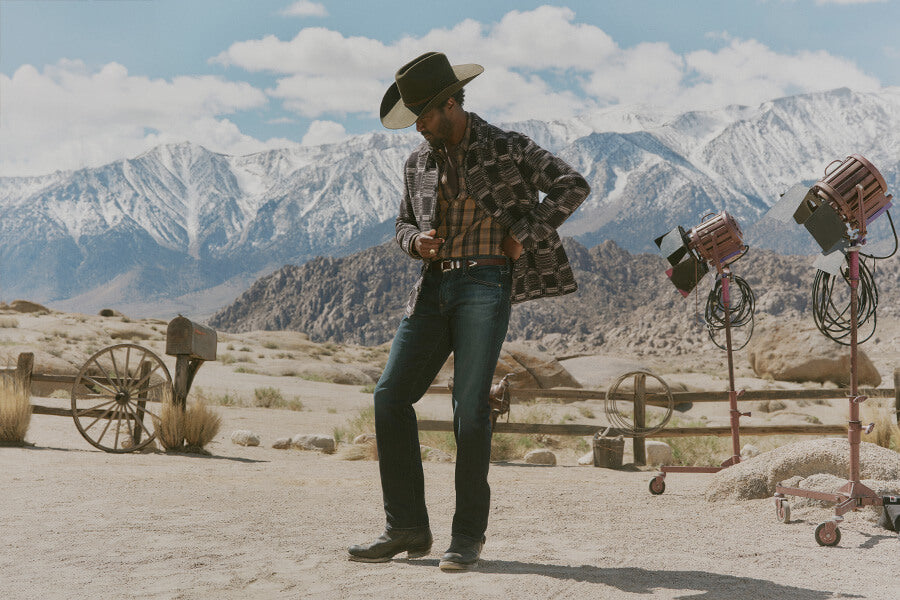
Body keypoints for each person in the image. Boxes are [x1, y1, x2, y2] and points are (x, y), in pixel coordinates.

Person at [348, 51, 590, 571]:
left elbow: (573, 185)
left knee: (469, 410)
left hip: (486, 281)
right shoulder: (418, 163)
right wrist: (418, 245)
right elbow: (402, 226)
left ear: (452, 103)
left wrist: (521, 236)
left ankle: (467, 538)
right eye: (413, 118)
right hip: (433, 289)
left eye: (425, 116)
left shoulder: (506, 146)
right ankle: (407, 528)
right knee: (390, 396)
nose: (418, 128)